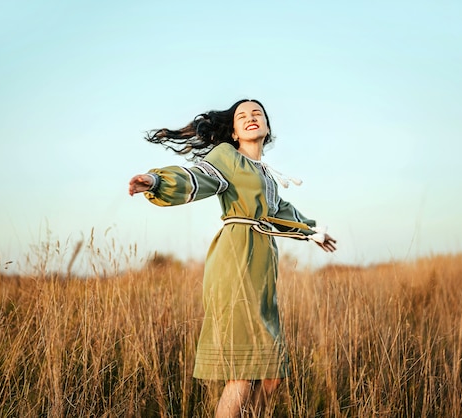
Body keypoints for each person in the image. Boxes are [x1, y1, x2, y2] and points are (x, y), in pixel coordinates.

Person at [129, 99, 336, 417]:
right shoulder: (226, 158)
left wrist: (311, 231)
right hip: (236, 262)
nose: (251, 118)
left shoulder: (263, 174)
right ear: (235, 132)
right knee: (241, 375)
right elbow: (197, 178)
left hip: (262, 266)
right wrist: (156, 182)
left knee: (270, 377)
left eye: (258, 114)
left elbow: (279, 211)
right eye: (242, 116)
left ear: (267, 127)